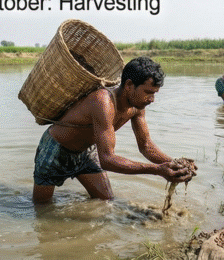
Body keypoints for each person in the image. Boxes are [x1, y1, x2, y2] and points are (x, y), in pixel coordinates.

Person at [32, 57, 195, 203]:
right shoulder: (103, 101)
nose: (152, 99)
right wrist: (156, 170)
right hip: (56, 150)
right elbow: (107, 159)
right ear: (129, 85)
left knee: (106, 201)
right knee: (43, 209)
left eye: (155, 94)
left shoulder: (137, 106)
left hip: (85, 152)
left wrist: (176, 165)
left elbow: (146, 146)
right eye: (148, 92)